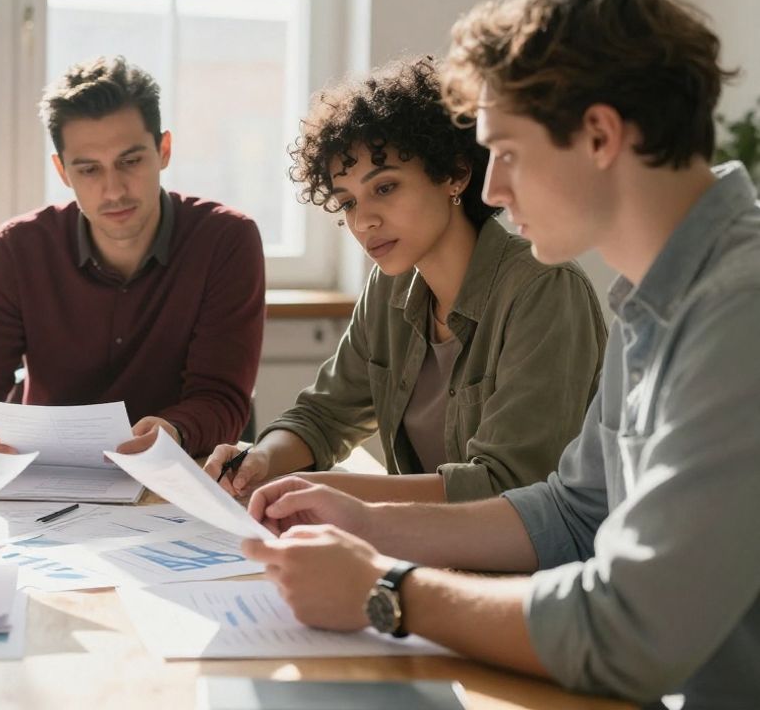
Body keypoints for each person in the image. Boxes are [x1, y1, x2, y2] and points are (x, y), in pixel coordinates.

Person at [240, 0, 760, 707]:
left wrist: (387, 590)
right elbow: (575, 511)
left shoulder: (739, 310)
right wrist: (364, 519)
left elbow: (633, 630)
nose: (491, 189)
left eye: (508, 153)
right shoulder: (657, 300)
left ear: (600, 134)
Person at [205, 57, 606, 503]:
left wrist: (329, 492)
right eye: (348, 202)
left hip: (536, 564)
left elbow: (510, 487)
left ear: (455, 173)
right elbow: (323, 416)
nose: (363, 222)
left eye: (385, 188)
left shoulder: (544, 290)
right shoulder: (389, 286)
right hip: (436, 551)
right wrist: (261, 459)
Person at [0, 55, 265, 457]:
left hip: (176, 471)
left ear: (164, 149)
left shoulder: (225, 240)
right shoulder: (19, 248)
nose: (114, 190)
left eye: (131, 161)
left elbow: (221, 398)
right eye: (89, 170)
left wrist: (174, 431)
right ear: (62, 171)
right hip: (47, 476)